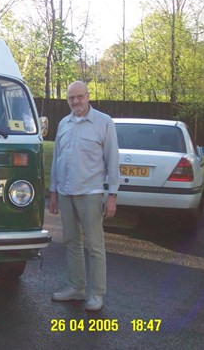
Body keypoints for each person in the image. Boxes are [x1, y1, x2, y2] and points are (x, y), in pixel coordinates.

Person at [48, 80, 119, 311]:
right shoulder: (64, 124)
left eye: (79, 96)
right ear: (67, 100)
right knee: (71, 242)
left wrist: (112, 196)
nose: (76, 101)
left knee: (96, 246)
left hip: (91, 192)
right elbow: (57, 159)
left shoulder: (103, 122)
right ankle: (76, 288)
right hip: (66, 192)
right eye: (71, 98)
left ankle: (97, 293)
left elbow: (112, 160)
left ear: (88, 97)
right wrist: (54, 191)